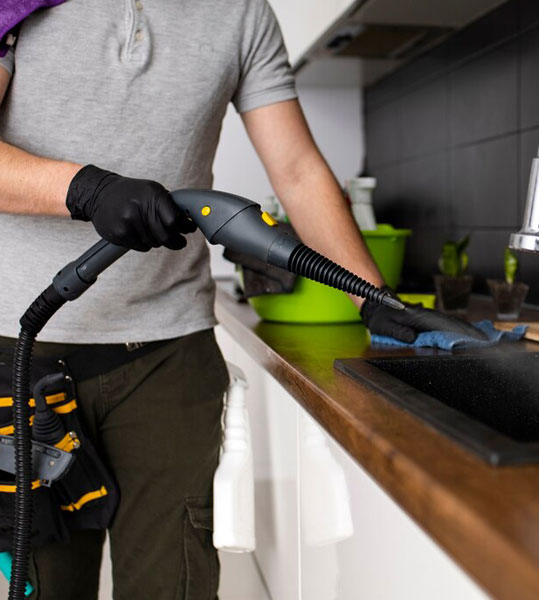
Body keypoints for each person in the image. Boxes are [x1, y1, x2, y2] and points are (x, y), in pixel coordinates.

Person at [0, 2, 481, 598]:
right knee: (46, 584)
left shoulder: (240, 12)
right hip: (20, 359)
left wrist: (370, 295)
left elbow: (297, 170)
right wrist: (86, 190)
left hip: (169, 361)